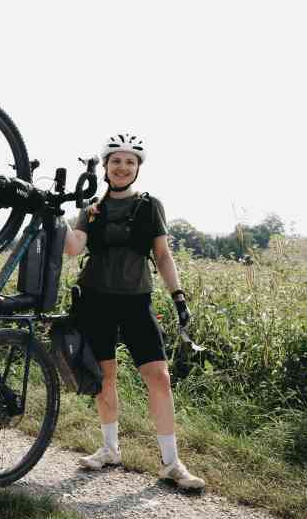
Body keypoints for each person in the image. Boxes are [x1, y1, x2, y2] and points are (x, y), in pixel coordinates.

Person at [62, 133, 206, 490]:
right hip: (96, 299)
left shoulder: (149, 206)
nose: (122, 167)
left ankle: (172, 463)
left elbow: (162, 255)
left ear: (137, 168)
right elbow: (73, 248)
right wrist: (56, 215)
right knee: (105, 377)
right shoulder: (92, 209)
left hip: (136, 299)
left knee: (159, 376)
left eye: (129, 161)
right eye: (116, 161)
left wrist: (179, 297)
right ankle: (110, 450)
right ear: (107, 167)